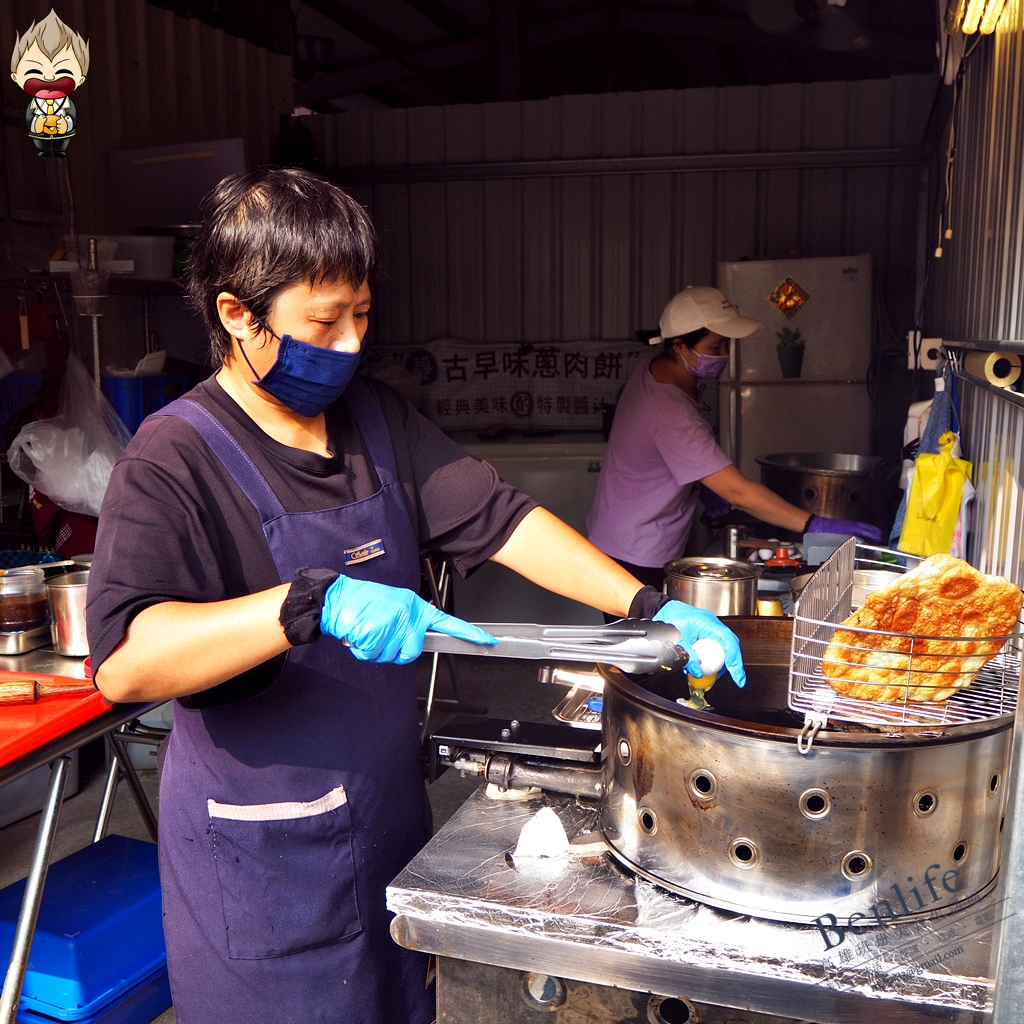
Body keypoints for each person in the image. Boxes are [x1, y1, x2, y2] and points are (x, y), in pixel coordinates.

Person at [87, 169, 747, 1024]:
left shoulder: (376, 421)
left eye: (362, 314)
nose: (353, 343)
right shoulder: (173, 457)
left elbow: (504, 521)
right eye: (325, 322)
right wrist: (305, 606)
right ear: (237, 316)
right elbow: (128, 662)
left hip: (390, 823)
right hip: (260, 863)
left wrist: (646, 607)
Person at [587, 286, 883, 588]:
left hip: (622, 532)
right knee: (642, 634)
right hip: (635, 552)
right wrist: (814, 524)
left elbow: (662, 450)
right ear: (679, 346)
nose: (725, 354)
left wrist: (698, 481)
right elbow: (738, 493)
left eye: (727, 344)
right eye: (715, 347)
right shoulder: (671, 411)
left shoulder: (659, 369)